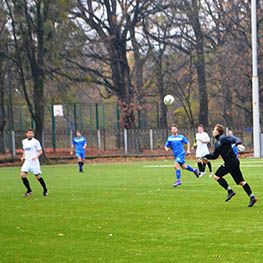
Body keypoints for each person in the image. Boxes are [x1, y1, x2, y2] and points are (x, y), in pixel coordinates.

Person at [203, 124, 257, 207]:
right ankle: (252, 197)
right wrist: (205, 156)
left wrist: (238, 143)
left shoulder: (223, 138)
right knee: (241, 182)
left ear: (218, 131)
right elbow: (214, 156)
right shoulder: (217, 143)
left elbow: (236, 139)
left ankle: (230, 191)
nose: (213, 131)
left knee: (216, 176)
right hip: (233, 162)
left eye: (214, 130)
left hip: (230, 162)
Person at [20, 128, 48, 197]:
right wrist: (23, 156)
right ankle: (29, 190)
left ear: (33, 134)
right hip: (27, 161)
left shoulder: (36, 141)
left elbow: (40, 151)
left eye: (31, 133)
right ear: (26, 134)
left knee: (38, 177)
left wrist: (36, 156)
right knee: (22, 175)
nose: (30, 134)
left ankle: (45, 190)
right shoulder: (24, 141)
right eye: (29, 133)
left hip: (34, 162)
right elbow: (25, 150)